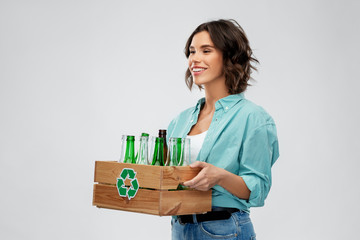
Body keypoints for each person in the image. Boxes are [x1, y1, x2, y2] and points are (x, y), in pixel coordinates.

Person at [167, 19, 280, 240]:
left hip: (224, 230)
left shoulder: (253, 118)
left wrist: (219, 177)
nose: (194, 59)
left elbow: (258, 189)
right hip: (180, 228)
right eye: (191, 52)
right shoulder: (179, 121)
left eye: (206, 50)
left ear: (229, 57)